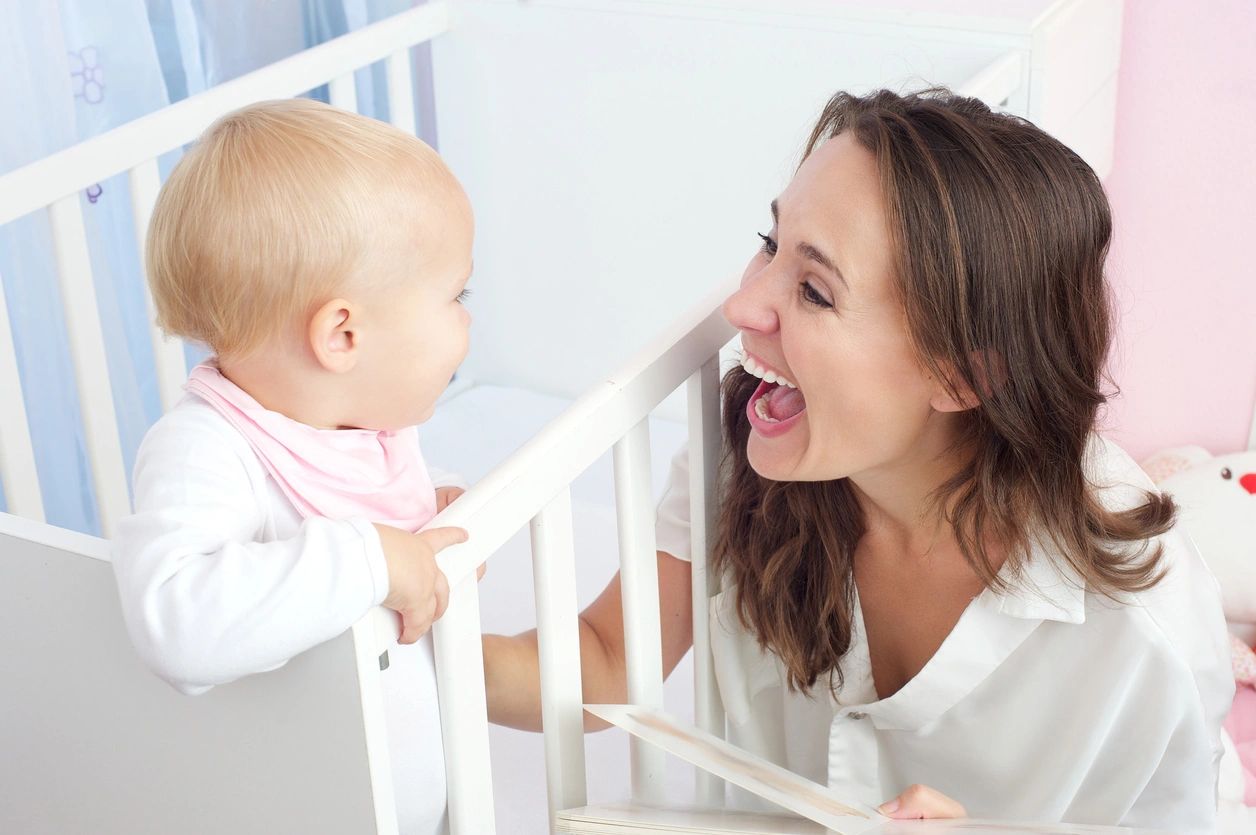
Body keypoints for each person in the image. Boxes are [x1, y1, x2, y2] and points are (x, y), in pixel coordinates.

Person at [482, 88, 1233, 829]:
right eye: (770, 244)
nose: (743, 307)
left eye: (813, 290)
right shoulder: (751, 450)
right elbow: (609, 656)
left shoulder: (1137, 623)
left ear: (962, 375)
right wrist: (392, 606)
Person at [112, 98, 475, 835]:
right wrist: (374, 557)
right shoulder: (207, 447)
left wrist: (413, 542)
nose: (468, 319)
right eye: (456, 296)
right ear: (343, 333)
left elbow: (352, 552)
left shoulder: (363, 421)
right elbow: (175, 620)